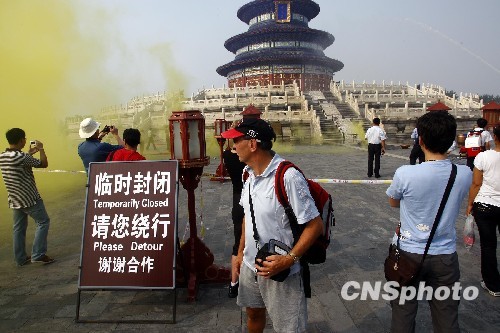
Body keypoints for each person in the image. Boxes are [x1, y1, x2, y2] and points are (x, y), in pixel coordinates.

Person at [221, 118, 323, 333]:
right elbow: (247, 217)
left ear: (252, 144)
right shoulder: (247, 174)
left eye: (236, 141)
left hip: (281, 268)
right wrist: (240, 254)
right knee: (254, 313)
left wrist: (288, 260)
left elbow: (315, 225)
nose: (232, 148)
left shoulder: (288, 176)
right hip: (251, 264)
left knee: (288, 327)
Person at [386, 111, 472, 332]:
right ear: (452, 141)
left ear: (420, 140)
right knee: (447, 317)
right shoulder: (463, 173)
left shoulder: (405, 173)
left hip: (407, 253)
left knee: (403, 314)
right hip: (445, 255)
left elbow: (393, 202)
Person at [0, 128, 55, 265]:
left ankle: (20, 258)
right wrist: (41, 149)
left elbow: (18, 162)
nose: (25, 140)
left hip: (15, 199)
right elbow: (43, 164)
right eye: (24, 138)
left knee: (18, 228)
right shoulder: (22, 157)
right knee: (43, 222)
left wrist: (29, 154)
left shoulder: (3, 156)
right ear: (21, 140)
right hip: (30, 198)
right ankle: (38, 254)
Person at [225, 105, 263, 299]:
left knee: (238, 244)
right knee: (255, 241)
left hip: (237, 204)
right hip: (250, 205)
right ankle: (253, 278)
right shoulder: (251, 161)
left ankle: (234, 282)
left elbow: (226, 149)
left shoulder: (227, 157)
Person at [466, 125, 500, 297]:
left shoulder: (483, 156)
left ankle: (493, 285)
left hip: (485, 205)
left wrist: (470, 204)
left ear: (494, 136)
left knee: (488, 246)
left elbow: (476, 183)